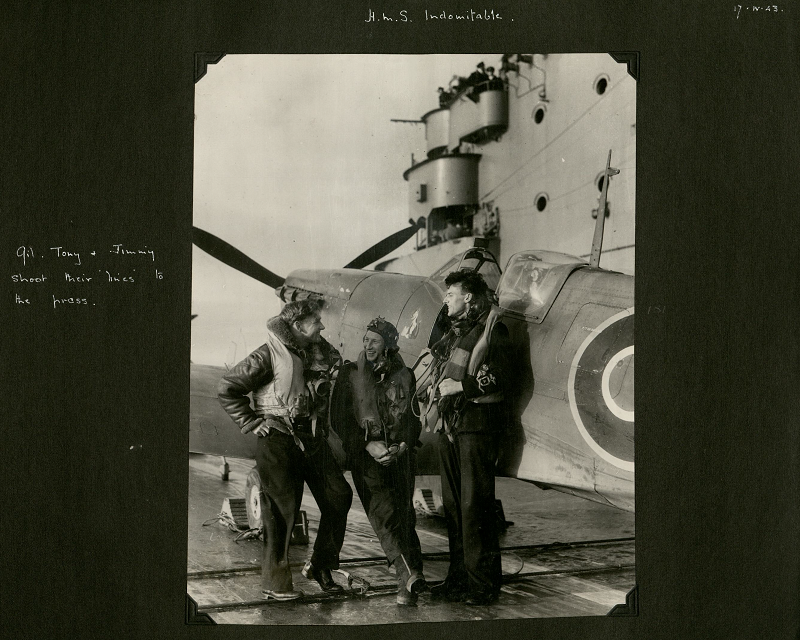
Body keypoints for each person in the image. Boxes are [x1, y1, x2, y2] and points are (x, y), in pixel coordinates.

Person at [217, 299, 353, 601]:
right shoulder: (268, 353)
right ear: (297, 324)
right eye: (316, 320)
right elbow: (228, 387)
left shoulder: (323, 355)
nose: (322, 325)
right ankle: (276, 584)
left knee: (338, 495)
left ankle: (320, 565)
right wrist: (251, 422)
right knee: (281, 512)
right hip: (277, 439)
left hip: (312, 438)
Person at [426, 270, 510, 606]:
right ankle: (458, 579)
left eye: (451, 294)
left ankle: (483, 585)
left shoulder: (493, 329)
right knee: (453, 507)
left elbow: (505, 376)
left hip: (476, 427)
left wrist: (463, 386)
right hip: (451, 427)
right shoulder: (455, 333)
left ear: (469, 298)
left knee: (474, 507)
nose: (446, 300)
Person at [331, 317, 426, 606]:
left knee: (405, 518)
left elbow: (413, 420)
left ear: (388, 344)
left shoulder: (405, 374)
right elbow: (340, 421)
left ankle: (407, 586)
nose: (367, 345)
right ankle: (409, 575)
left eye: (374, 340)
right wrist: (367, 444)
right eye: (366, 339)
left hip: (400, 457)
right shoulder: (350, 374)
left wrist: (402, 445)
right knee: (384, 517)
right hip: (366, 458)